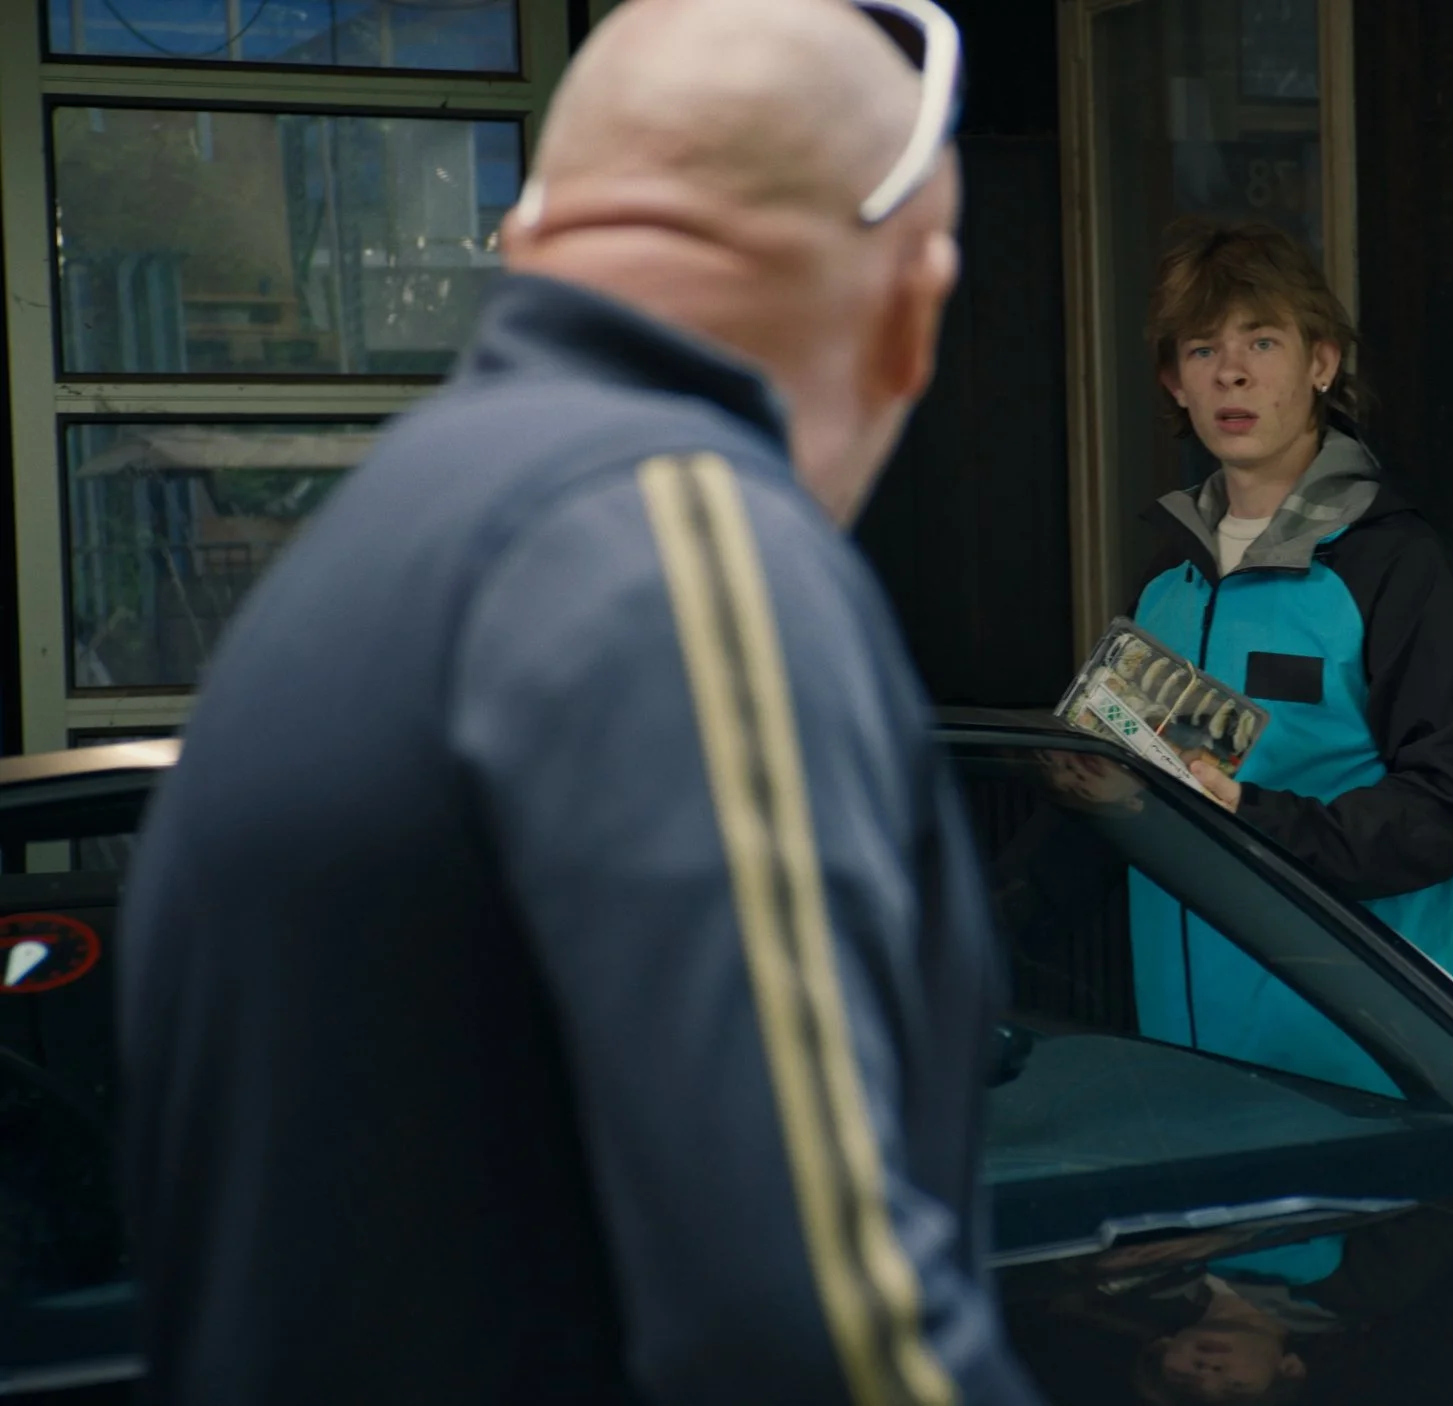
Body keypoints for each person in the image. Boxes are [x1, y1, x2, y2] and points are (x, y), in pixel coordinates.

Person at [114, 1, 1039, 1402]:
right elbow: (812, 1325)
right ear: (914, 306)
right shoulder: (671, 536)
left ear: (534, 237)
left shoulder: (385, 544)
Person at [1123, 218, 1453, 1087]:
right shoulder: (1167, 577)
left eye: (1263, 340)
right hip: (1189, 1054)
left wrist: (1253, 820)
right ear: (1173, 382)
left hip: (1365, 1066)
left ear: (1322, 363)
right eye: (1201, 349)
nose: (1233, 372)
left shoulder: (1396, 563)